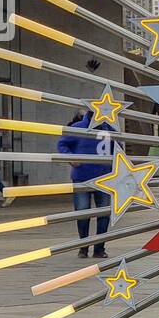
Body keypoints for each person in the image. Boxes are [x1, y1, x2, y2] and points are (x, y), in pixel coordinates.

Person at [56, 110, 114, 259]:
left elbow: (118, 151)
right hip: (83, 177)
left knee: (103, 214)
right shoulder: (78, 128)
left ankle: (99, 248)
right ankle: (84, 247)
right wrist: (70, 158)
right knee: (83, 213)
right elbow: (62, 144)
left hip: (105, 178)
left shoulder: (110, 129)